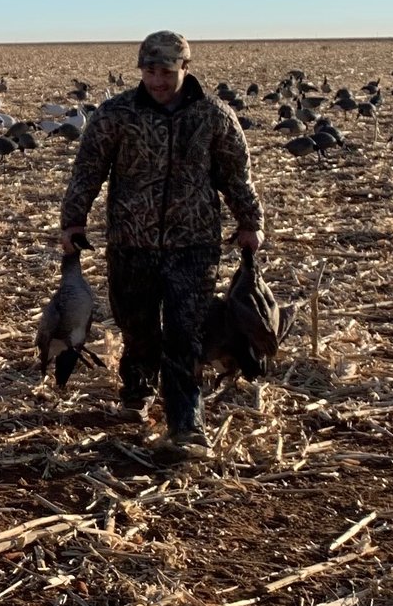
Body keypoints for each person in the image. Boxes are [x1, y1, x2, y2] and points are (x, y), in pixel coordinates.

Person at [58, 31, 265, 457]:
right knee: (137, 329)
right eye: (149, 71)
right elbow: (87, 170)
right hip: (130, 242)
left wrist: (251, 221)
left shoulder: (214, 116)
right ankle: (137, 389)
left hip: (194, 243)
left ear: (184, 69)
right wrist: (72, 222)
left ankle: (187, 425)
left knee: (185, 334)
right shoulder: (116, 114)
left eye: (166, 72)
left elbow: (235, 175)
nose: (157, 80)